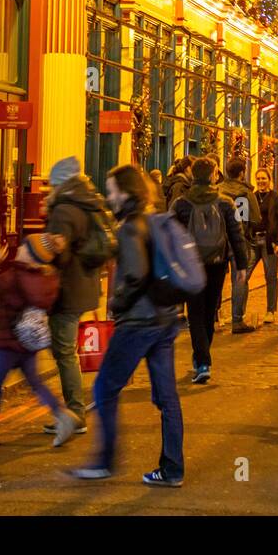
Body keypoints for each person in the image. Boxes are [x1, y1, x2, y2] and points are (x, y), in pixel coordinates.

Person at [71, 164, 186, 486]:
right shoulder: (155, 220)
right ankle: (173, 469)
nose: (109, 196)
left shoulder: (131, 227)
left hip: (139, 321)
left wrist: (118, 304)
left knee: (104, 387)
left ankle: (104, 461)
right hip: (165, 317)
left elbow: (135, 274)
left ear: (126, 192)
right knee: (167, 397)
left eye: (112, 190)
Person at [0, 233, 78, 448]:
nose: (20, 248)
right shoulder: (48, 278)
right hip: (30, 339)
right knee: (35, 382)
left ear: (32, 254)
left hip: (9, 339)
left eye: (25, 247)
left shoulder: (15, 276)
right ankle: (62, 415)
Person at [44, 156, 115, 435]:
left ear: (60, 183)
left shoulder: (64, 210)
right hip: (85, 283)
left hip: (67, 288)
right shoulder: (89, 203)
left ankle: (75, 411)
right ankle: (75, 408)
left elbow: (57, 253)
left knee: (64, 352)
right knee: (64, 350)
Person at [173, 157, 249, 383]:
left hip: (190, 264)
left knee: (194, 313)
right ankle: (203, 358)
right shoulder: (227, 203)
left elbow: (171, 235)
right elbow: (237, 234)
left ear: (193, 175)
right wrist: (242, 265)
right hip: (217, 264)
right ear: (214, 174)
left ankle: (202, 361)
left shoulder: (180, 203)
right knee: (209, 312)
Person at [218, 158, 262, 334]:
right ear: (242, 173)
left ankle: (214, 316)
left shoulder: (218, 190)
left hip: (219, 240)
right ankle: (237, 320)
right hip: (239, 240)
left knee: (217, 279)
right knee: (240, 279)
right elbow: (256, 218)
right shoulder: (246, 193)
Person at [247, 168, 278, 324]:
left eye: (264, 178)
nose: (261, 181)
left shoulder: (277, 198)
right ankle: (239, 312)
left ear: (270, 180)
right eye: (258, 178)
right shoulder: (252, 197)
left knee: (270, 277)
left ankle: (271, 311)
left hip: (269, 242)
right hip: (252, 241)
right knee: (244, 275)